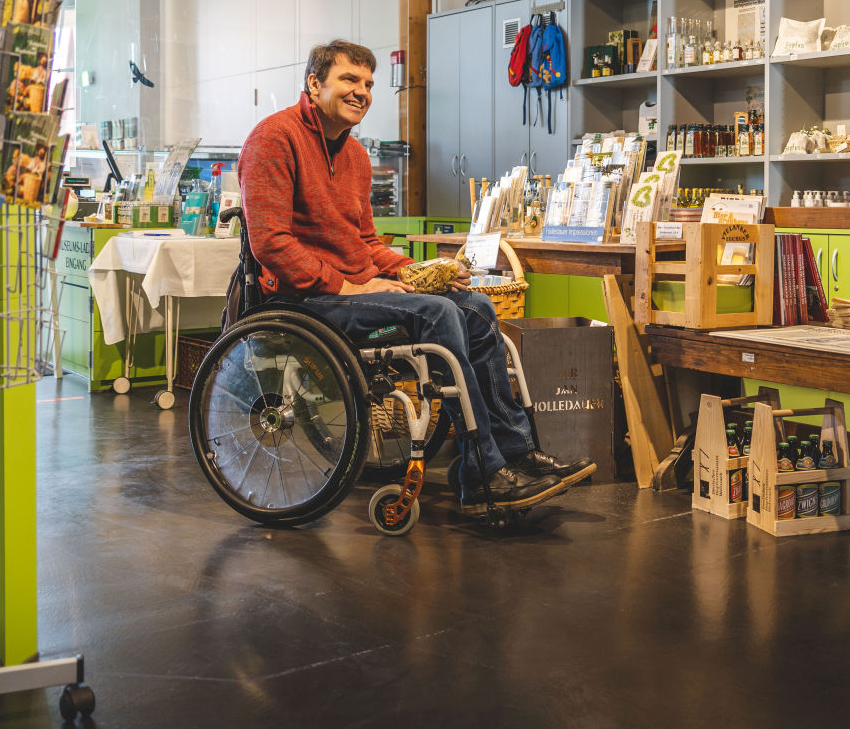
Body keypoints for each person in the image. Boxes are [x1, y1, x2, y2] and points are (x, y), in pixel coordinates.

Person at [237, 40, 594, 514]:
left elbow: (365, 241)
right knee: (439, 314)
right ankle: (482, 473)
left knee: (477, 306)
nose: (362, 92)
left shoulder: (357, 158)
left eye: (368, 84)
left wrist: (422, 271)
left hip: (355, 291)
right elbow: (271, 244)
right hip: (303, 300)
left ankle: (518, 455)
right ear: (314, 83)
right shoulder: (273, 139)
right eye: (349, 80)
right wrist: (351, 286)